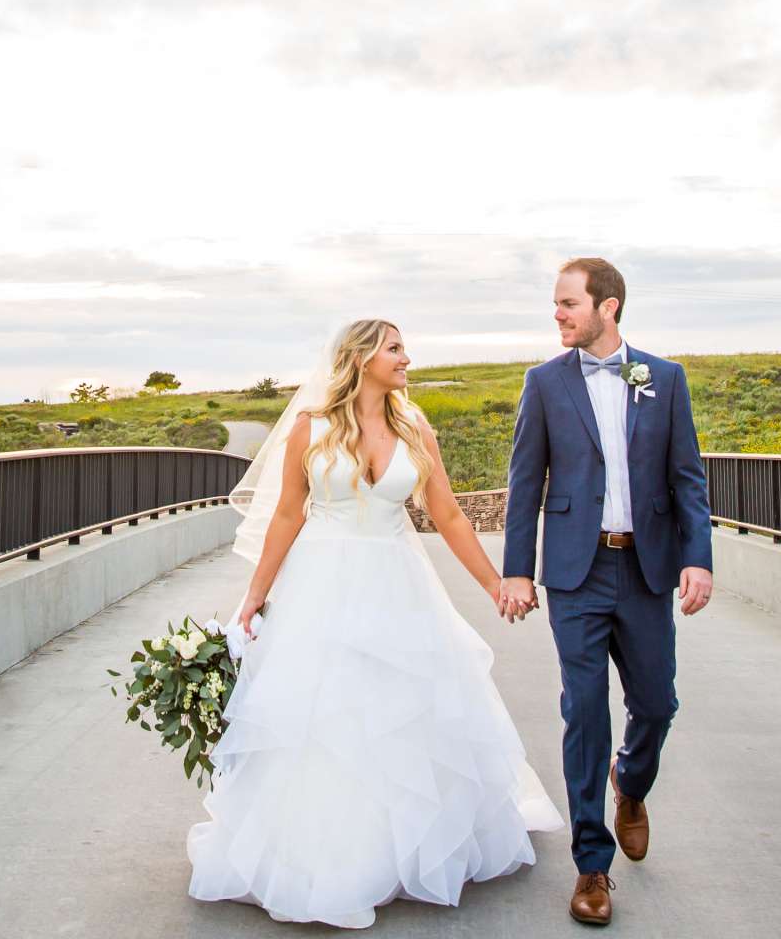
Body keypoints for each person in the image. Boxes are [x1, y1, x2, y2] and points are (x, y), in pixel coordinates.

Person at [186, 318, 562, 928]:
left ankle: (403, 848)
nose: (406, 357)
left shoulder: (415, 427)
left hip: (397, 586)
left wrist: (495, 583)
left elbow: (449, 515)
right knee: (324, 715)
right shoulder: (312, 427)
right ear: (361, 358)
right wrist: (254, 596)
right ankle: (323, 855)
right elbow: (287, 514)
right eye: (395, 348)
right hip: (322, 586)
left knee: (402, 711)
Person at [497, 257, 714, 927]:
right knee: (584, 709)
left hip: (645, 570)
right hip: (576, 572)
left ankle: (632, 783)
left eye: (568, 304)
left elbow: (688, 480)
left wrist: (697, 559)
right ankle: (592, 866)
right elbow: (525, 483)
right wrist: (516, 569)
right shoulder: (544, 384)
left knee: (657, 702)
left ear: (607, 307)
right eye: (557, 305)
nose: (558, 315)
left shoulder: (664, 379)